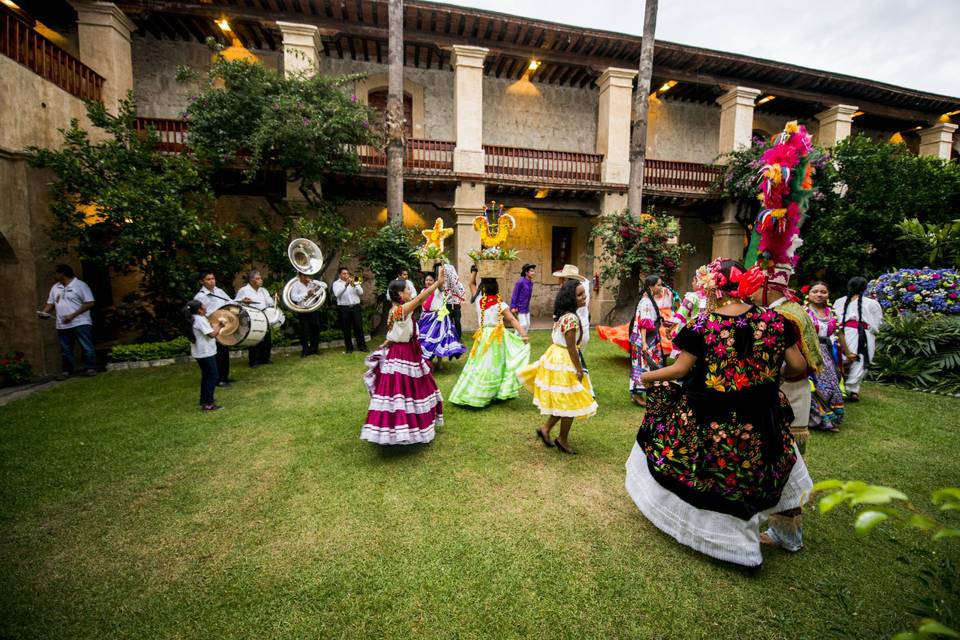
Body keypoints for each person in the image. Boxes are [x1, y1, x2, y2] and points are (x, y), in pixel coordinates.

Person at [624, 258, 813, 567]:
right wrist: (767, 376)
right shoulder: (776, 322)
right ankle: (786, 534)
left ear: (714, 289)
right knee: (767, 470)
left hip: (710, 417)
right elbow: (799, 366)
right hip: (762, 415)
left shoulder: (703, 325)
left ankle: (731, 545)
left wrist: (646, 377)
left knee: (713, 478)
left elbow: (681, 368)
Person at [740, 264, 823, 455]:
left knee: (778, 446)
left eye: (755, 289)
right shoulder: (794, 308)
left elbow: (794, 363)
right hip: (797, 385)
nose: (751, 295)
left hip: (786, 388)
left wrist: (780, 374)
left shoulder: (780, 316)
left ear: (767, 288)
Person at [360, 266, 446, 445]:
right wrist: (438, 282)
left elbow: (395, 331)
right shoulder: (403, 309)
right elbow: (422, 298)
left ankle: (399, 426)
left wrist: (386, 343)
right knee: (406, 389)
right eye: (407, 289)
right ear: (400, 294)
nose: (410, 291)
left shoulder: (395, 310)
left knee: (401, 390)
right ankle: (405, 428)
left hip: (401, 350)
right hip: (404, 353)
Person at [517, 279, 597, 455]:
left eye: (584, 293)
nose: (584, 297)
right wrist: (578, 369)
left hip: (556, 356)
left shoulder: (563, 315)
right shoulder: (571, 318)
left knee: (565, 400)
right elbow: (571, 347)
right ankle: (562, 439)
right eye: (579, 294)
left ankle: (546, 428)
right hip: (564, 360)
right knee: (570, 402)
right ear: (571, 298)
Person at [449, 271, 530, 408]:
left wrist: (474, 271)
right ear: (497, 288)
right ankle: (494, 391)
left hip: (483, 336)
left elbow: (471, 283)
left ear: (484, 289)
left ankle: (478, 391)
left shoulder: (480, 300)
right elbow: (512, 319)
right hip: (497, 337)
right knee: (496, 364)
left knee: (479, 363)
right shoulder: (501, 304)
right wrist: (523, 334)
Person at [41, 264, 96, 379]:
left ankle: (90, 368)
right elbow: (50, 303)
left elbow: (89, 302)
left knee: (86, 346)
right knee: (65, 350)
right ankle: (67, 371)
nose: (54, 275)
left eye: (55, 273)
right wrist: (45, 312)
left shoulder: (80, 285)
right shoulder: (55, 287)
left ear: (62, 274)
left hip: (81, 322)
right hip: (62, 325)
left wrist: (72, 315)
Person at [834, 276, 883, 403]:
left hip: (843, 333)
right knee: (861, 360)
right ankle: (851, 388)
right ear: (865, 288)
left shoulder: (839, 301)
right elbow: (877, 322)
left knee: (842, 359)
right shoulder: (873, 303)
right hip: (864, 335)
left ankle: (847, 388)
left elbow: (834, 319)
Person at [804, 281, 844, 431]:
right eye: (815, 291)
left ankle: (831, 418)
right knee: (814, 385)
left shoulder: (832, 313)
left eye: (823, 292)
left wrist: (847, 353)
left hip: (827, 352)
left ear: (828, 294)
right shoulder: (804, 311)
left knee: (832, 384)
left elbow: (839, 333)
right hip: (809, 351)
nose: (819, 295)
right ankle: (819, 419)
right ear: (809, 294)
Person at [629, 274, 667, 406]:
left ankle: (645, 393)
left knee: (649, 364)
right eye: (658, 285)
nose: (661, 287)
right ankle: (638, 394)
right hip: (644, 340)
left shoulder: (648, 300)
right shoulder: (646, 301)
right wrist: (644, 344)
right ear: (651, 286)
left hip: (647, 339)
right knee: (643, 365)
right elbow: (644, 324)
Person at [417, 269, 466, 365]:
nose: (428, 282)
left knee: (439, 339)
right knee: (424, 339)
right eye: (427, 280)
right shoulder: (423, 291)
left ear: (434, 281)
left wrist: (440, 271)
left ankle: (439, 362)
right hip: (426, 318)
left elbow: (440, 283)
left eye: (430, 280)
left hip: (437, 318)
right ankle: (426, 360)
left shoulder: (438, 290)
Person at [183, 299, 225, 411]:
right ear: (200, 310)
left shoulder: (194, 319)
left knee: (207, 376)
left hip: (200, 352)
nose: (205, 307)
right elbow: (212, 334)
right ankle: (208, 404)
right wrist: (220, 326)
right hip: (205, 353)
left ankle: (205, 399)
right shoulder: (199, 320)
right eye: (203, 306)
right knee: (213, 376)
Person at [194, 270, 234, 386]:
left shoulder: (219, 291)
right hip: (212, 327)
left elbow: (230, 302)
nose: (212, 281)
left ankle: (225, 376)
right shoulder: (200, 297)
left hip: (223, 325)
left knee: (224, 352)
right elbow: (201, 315)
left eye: (213, 279)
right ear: (202, 282)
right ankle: (218, 379)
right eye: (208, 279)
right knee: (217, 354)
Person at [289, 272, 327, 357]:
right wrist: (307, 294)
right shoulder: (296, 285)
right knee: (304, 331)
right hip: (303, 311)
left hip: (313, 309)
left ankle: (314, 349)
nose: (307, 277)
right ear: (300, 276)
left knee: (316, 329)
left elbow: (325, 285)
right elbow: (293, 297)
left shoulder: (312, 283)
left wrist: (313, 281)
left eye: (308, 275)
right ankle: (305, 350)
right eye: (305, 276)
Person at [552, 264, 591, 348]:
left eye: (562, 279)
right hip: (580, 327)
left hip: (574, 328)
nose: (560, 282)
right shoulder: (582, 287)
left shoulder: (574, 292)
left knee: (571, 353)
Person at [331, 267, 368, 354]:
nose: (346, 275)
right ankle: (349, 348)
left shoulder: (355, 279)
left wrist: (355, 285)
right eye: (344, 273)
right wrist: (345, 285)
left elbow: (361, 292)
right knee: (346, 328)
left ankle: (362, 346)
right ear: (339, 274)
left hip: (355, 307)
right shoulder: (336, 283)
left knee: (359, 327)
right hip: (344, 308)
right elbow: (337, 294)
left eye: (347, 273)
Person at [509, 263, 536, 332]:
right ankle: (515, 340)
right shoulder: (520, 282)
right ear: (526, 272)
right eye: (531, 271)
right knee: (523, 324)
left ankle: (522, 340)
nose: (534, 273)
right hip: (519, 307)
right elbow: (515, 294)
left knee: (528, 324)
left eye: (534, 271)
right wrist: (513, 307)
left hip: (526, 308)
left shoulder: (531, 283)